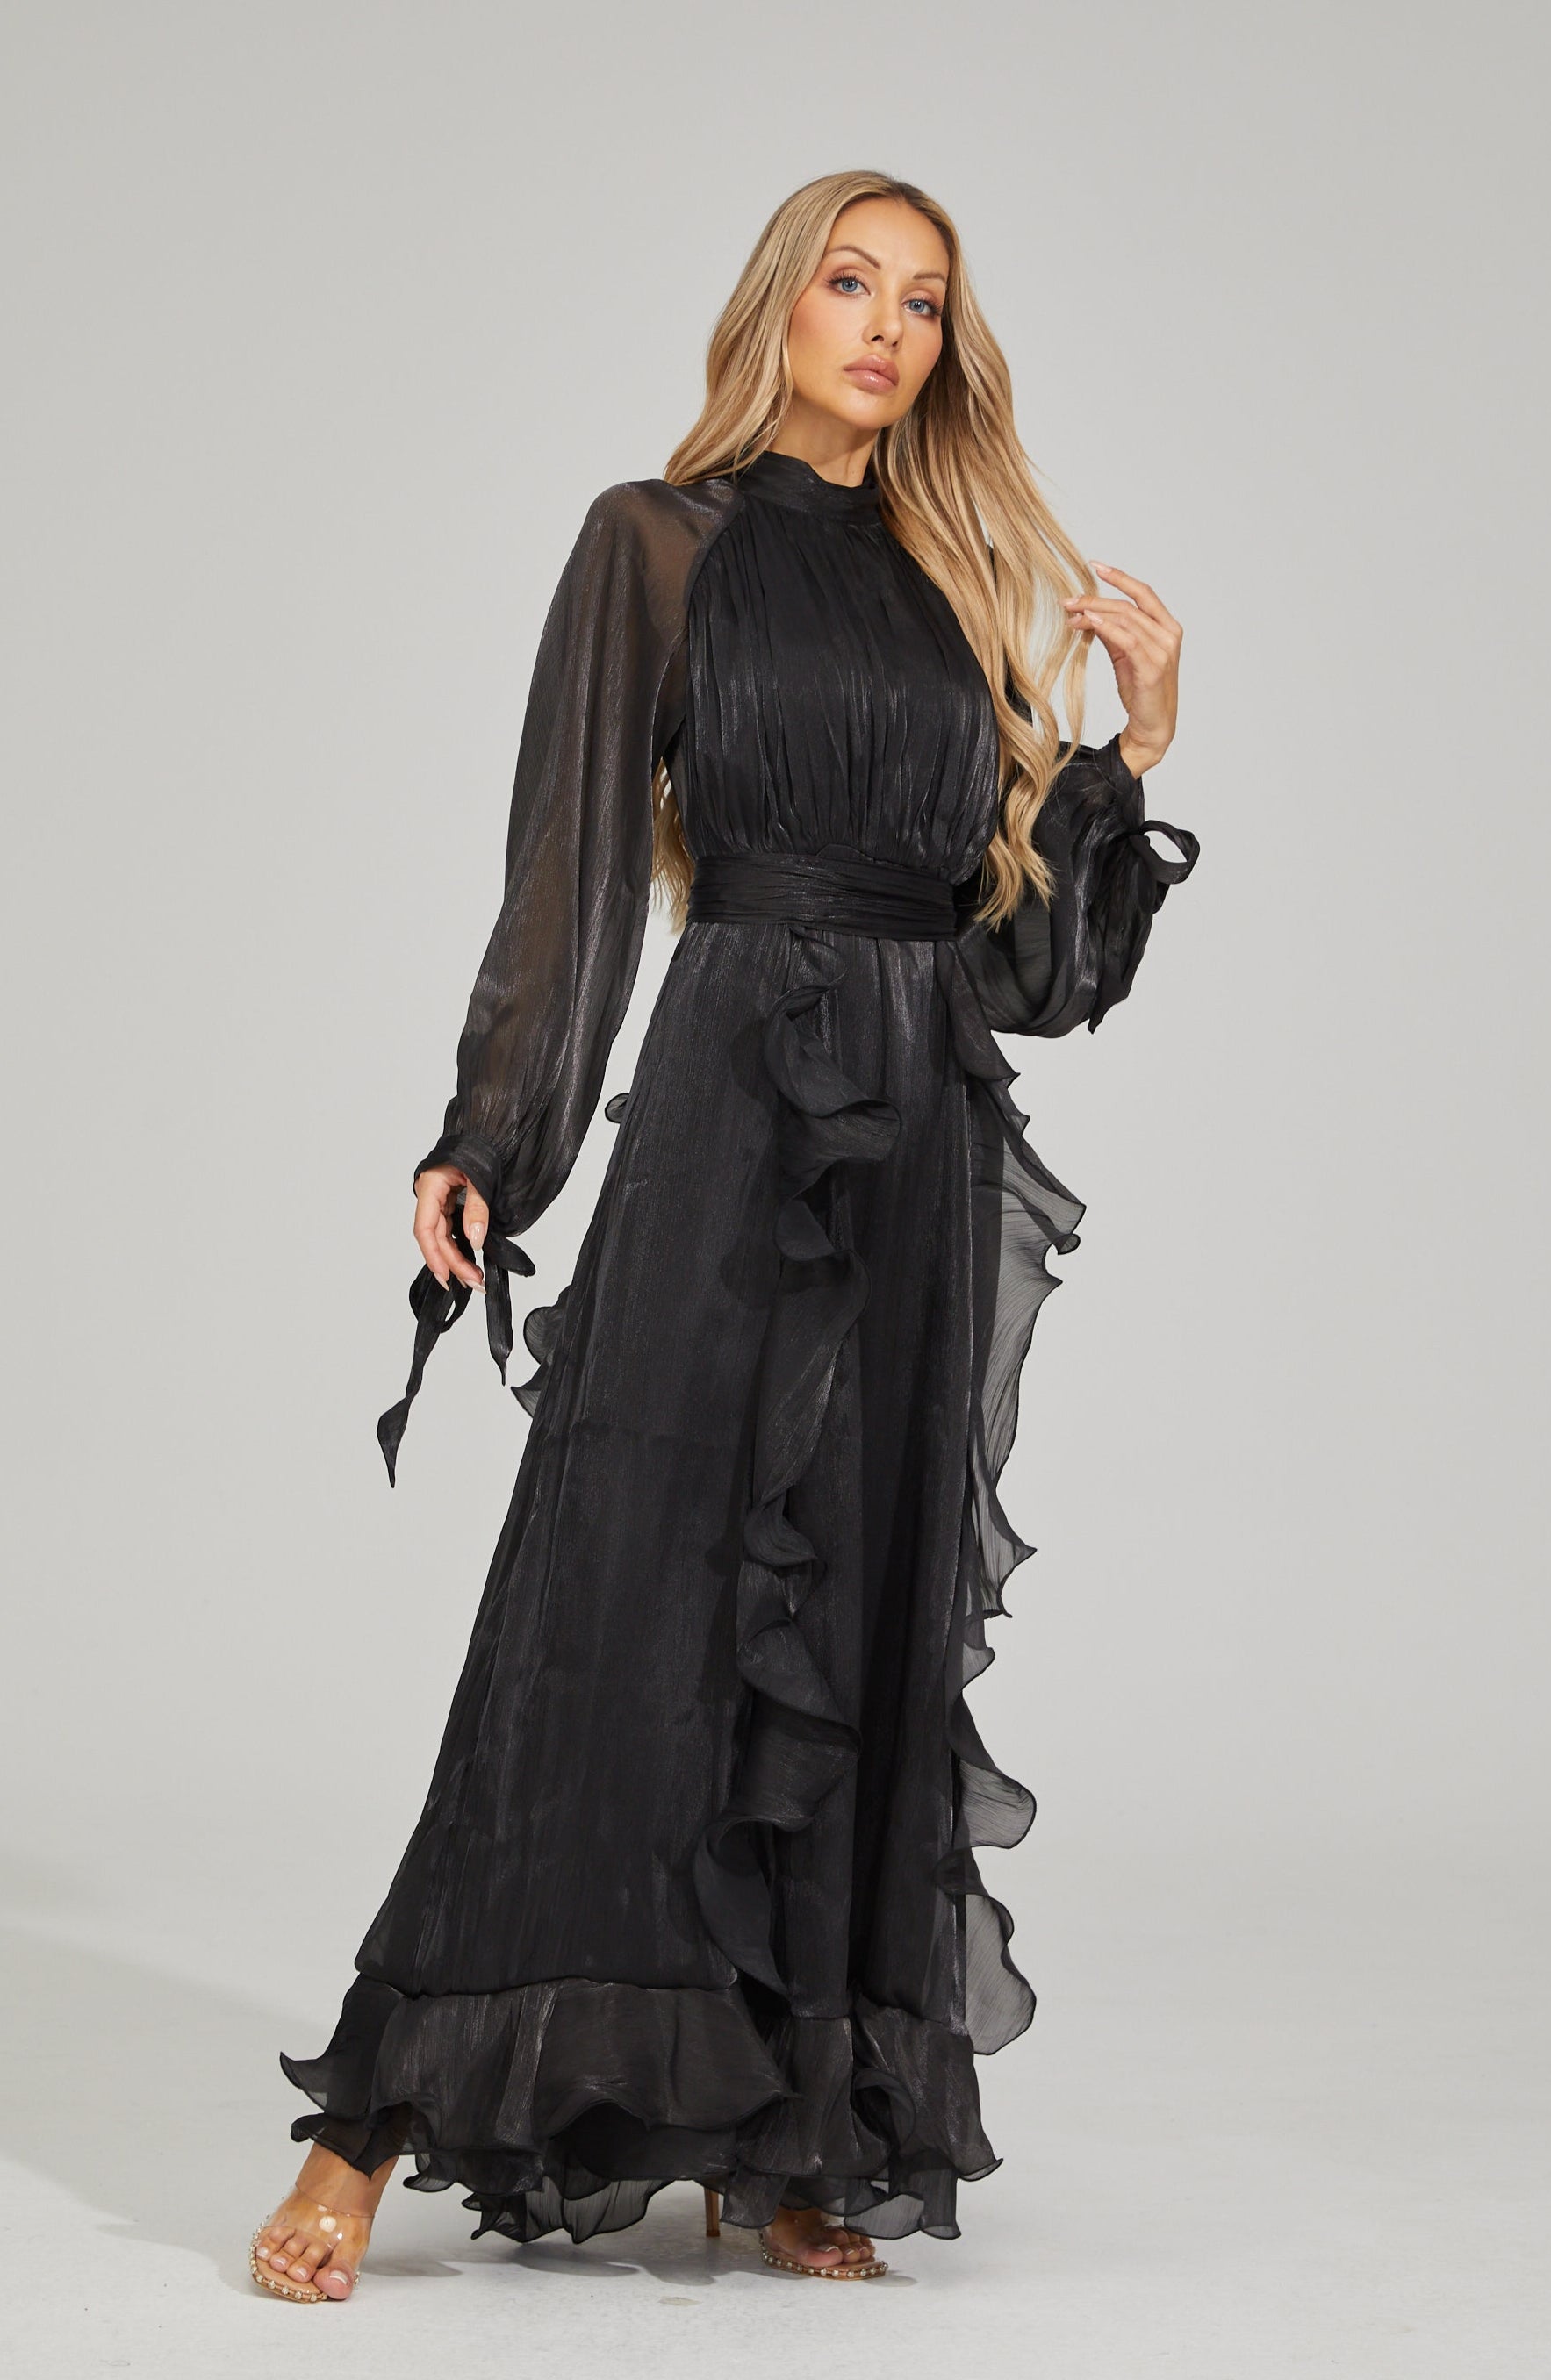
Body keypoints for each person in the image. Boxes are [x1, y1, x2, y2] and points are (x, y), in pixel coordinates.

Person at [248, 167, 1197, 2305]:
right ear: (780, 306)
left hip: (917, 1136)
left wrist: (1131, 750)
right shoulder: (653, 543)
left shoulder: (952, 595)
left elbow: (1027, 974)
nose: (885, 328)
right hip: (733, 1099)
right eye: (850, 284)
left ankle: (789, 2141)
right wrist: (492, 1131)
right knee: (609, 1594)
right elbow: (573, 867)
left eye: (923, 303)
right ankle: (365, 2128)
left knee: (851, 1609)